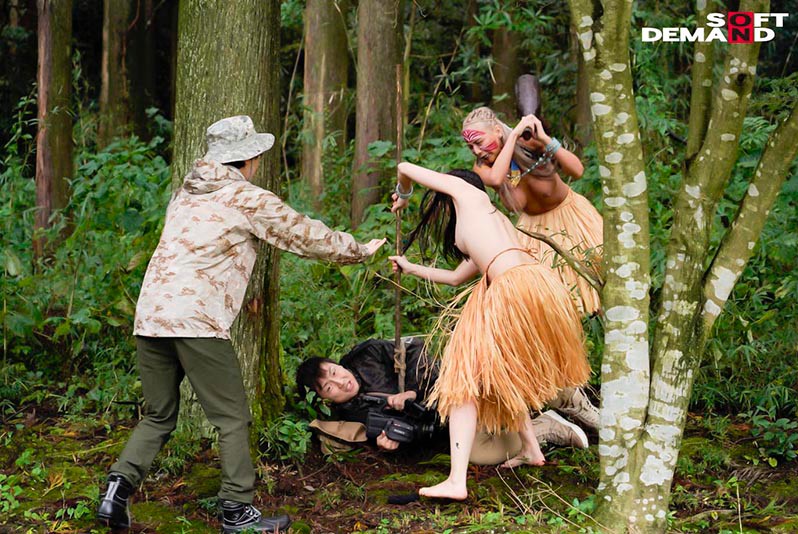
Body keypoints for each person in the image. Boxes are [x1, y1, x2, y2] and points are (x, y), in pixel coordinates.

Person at [97, 116, 386, 533]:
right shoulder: (245, 197)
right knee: (232, 418)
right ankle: (237, 510)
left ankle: (115, 493)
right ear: (248, 159)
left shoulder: (184, 194)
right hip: (196, 321)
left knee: (159, 415)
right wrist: (358, 250)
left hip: (151, 317)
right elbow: (303, 234)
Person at [387, 162, 591, 500]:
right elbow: (456, 278)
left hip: (513, 289)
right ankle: (531, 448)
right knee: (502, 372)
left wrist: (404, 194)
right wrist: (410, 269)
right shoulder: (487, 222)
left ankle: (456, 481)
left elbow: (404, 166)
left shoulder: (469, 195)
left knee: (463, 379)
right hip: (533, 286)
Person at [295, 338, 588, 460]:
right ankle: (545, 428)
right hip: (445, 429)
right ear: (326, 399)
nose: (340, 381)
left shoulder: (367, 354)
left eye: (334, 371)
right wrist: (389, 448)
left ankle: (574, 402)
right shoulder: (348, 418)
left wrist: (413, 391)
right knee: (479, 454)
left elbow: (417, 350)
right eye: (330, 387)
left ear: (337, 363)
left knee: (508, 382)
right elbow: (403, 438)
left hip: (453, 389)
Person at [461, 106, 603, 315]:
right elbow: (497, 179)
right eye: (470, 146)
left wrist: (544, 139)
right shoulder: (483, 168)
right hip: (533, 233)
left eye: (479, 142)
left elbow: (578, 171)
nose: (476, 151)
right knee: (548, 299)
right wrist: (513, 136)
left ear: (497, 131)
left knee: (596, 282)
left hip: (571, 218)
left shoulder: (530, 144)